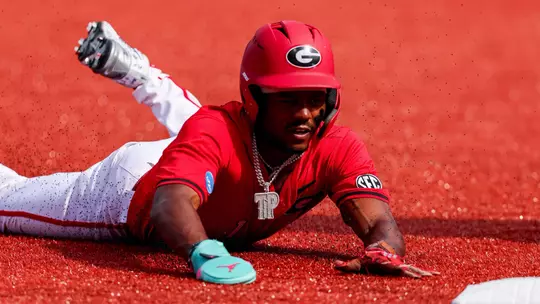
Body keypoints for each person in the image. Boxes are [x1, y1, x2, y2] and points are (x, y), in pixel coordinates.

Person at [0, 20, 439, 284]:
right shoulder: (216, 131)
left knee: (217, 134)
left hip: (214, 158)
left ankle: (140, 73)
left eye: (315, 96)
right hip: (130, 189)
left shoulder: (336, 145)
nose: (305, 111)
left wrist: (384, 247)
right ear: (255, 97)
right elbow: (167, 204)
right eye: (287, 98)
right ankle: (142, 77)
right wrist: (203, 253)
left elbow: (377, 217)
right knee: (7, 204)